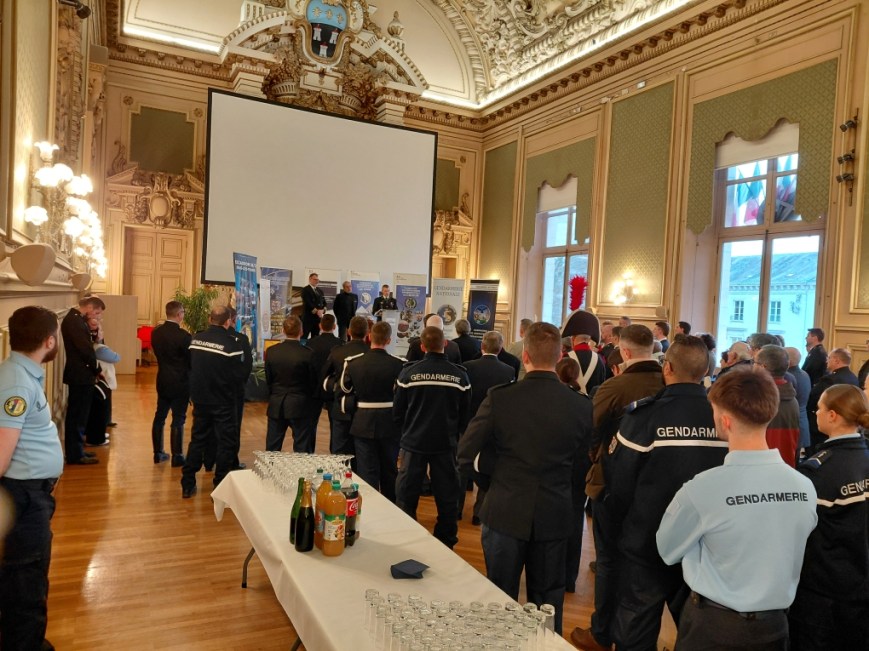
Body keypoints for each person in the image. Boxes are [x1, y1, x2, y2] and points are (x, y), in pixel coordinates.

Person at [656, 367, 817, 651]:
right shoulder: (804, 486)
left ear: (725, 420)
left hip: (714, 628)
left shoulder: (703, 488)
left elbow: (667, 550)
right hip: (776, 627)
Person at [458, 322, 592, 634]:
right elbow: (581, 466)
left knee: (499, 596)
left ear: (525, 355)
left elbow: (466, 454)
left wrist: (493, 485)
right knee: (547, 604)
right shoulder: (581, 406)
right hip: (555, 513)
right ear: (560, 356)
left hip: (504, 509)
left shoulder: (502, 397)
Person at [601, 336, 728, 651]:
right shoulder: (726, 420)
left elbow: (618, 485)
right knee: (696, 633)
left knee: (636, 632)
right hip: (705, 546)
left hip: (647, 544)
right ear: (706, 370)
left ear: (667, 368)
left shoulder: (644, 416)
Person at [572, 323, 664, 651]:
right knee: (646, 564)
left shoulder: (616, 386)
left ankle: (601, 633)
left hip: (612, 483)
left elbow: (589, 428)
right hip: (659, 486)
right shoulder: (667, 382)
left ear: (624, 352)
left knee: (609, 559)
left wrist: (596, 456)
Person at [0, 306, 64, 651]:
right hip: (24, 498)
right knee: (26, 577)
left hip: (29, 495)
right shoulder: (17, 383)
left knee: (27, 574)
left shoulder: (20, 374)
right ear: (49, 340)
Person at [790, 384, 869, 650]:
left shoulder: (819, 472)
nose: (816, 412)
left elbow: (798, 533)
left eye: (820, 407)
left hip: (824, 594)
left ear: (833, 415)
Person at [394, 325, 471, 548]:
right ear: (445, 344)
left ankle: (407, 536)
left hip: (414, 442)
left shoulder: (408, 373)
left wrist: (407, 431)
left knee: (407, 494)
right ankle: (446, 540)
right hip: (446, 444)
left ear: (422, 346)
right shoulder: (460, 376)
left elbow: (397, 412)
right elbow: (465, 415)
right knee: (447, 495)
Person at [180, 306, 247, 498]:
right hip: (224, 402)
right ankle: (220, 486)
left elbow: (190, 367)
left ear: (210, 319)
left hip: (201, 400)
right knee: (226, 443)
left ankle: (187, 483)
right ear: (228, 322)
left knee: (197, 440)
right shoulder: (232, 345)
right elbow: (238, 376)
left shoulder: (195, 339)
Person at [339, 322, 404, 501]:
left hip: (362, 422)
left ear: (369, 337)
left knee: (366, 469)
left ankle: (370, 507)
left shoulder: (353, 363)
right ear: (389, 340)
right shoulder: (399, 364)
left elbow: (344, 389)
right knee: (390, 468)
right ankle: (391, 507)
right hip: (390, 422)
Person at [457, 331, 515, 524]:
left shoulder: (468, 367)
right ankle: (478, 513)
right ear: (500, 347)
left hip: (470, 422)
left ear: (482, 346)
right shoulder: (508, 370)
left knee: (462, 466)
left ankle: (457, 509)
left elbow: (464, 398)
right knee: (487, 467)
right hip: (495, 426)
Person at [61, 295, 105, 466]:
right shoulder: (74, 322)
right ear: (89, 307)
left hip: (81, 374)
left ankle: (77, 450)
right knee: (77, 416)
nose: (96, 316)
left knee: (79, 415)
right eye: (96, 312)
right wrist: (98, 370)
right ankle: (75, 454)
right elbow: (85, 350)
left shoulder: (76, 320)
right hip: (80, 375)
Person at [264, 315, 318, 453]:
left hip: (277, 403)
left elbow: (269, 379)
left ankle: (269, 474)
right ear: (301, 331)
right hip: (300, 404)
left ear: (283, 330)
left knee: (272, 449)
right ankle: (301, 475)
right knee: (302, 448)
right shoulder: (308, 354)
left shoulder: (271, 352)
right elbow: (313, 382)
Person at [321, 316, 370, 462]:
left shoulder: (336, 352)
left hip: (340, 408)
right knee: (362, 454)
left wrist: (336, 390)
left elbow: (324, 378)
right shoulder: (370, 353)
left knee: (339, 454)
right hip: (364, 411)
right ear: (367, 332)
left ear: (348, 331)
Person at [150, 300, 191, 467]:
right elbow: (190, 361)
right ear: (179, 314)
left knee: (160, 416)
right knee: (178, 418)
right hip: (180, 382)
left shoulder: (156, 332)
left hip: (162, 379)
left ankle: (158, 453)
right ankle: (177, 456)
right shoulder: (184, 336)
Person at [807, 347, 860, 451]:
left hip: (825, 426)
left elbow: (814, 399)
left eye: (829, 358)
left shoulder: (830, 379)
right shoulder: (853, 378)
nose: (827, 361)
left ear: (836, 360)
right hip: (846, 423)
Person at [755, 344, 800, 467]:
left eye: (754, 362)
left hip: (763, 469)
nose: (752, 366)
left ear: (763, 367)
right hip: (786, 468)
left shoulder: (760, 399)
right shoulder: (793, 400)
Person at [84, 320, 119, 448]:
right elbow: (116, 357)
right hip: (103, 379)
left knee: (102, 409)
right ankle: (96, 437)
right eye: (101, 330)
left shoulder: (95, 347)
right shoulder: (99, 348)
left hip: (101, 379)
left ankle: (100, 433)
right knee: (99, 411)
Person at [226, 306, 252, 471]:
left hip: (214, 389)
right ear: (233, 320)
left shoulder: (203, 336)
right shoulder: (241, 339)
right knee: (234, 425)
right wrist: (240, 382)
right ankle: (232, 461)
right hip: (235, 390)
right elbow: (247, 365)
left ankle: (209, 460)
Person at [306, 313, 342, 433]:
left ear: (320, 326)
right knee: (336, 426)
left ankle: (309, 451)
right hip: (333, 389)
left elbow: (308, 367)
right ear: (335, 326)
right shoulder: (340, 344)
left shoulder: (311, 343)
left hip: (313, 389)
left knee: (310, 425)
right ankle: (335, 451)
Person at [785, 346, 812, 459]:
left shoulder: (788, 378)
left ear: (788, 362)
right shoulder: (805, 375)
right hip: (802, 422)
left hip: (789, 424)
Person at [565, 331, 607, 395]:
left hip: (569, 401)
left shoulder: (566, 358)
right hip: (593, 403)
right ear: (589, 340)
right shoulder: (599, 359)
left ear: (572, 339)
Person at [300, 272, 326, 340]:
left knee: (315, 338)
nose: (316, 281)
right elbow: (307, 302)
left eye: (317, 280)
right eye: (315, 279)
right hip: (308, 318)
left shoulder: (320, 291)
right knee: (304, 336)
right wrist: (317, 311)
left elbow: (324, 302)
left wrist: (323, 310)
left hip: (317, 319)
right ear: (310, 279)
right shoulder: (305, 290)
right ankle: (302, 350)